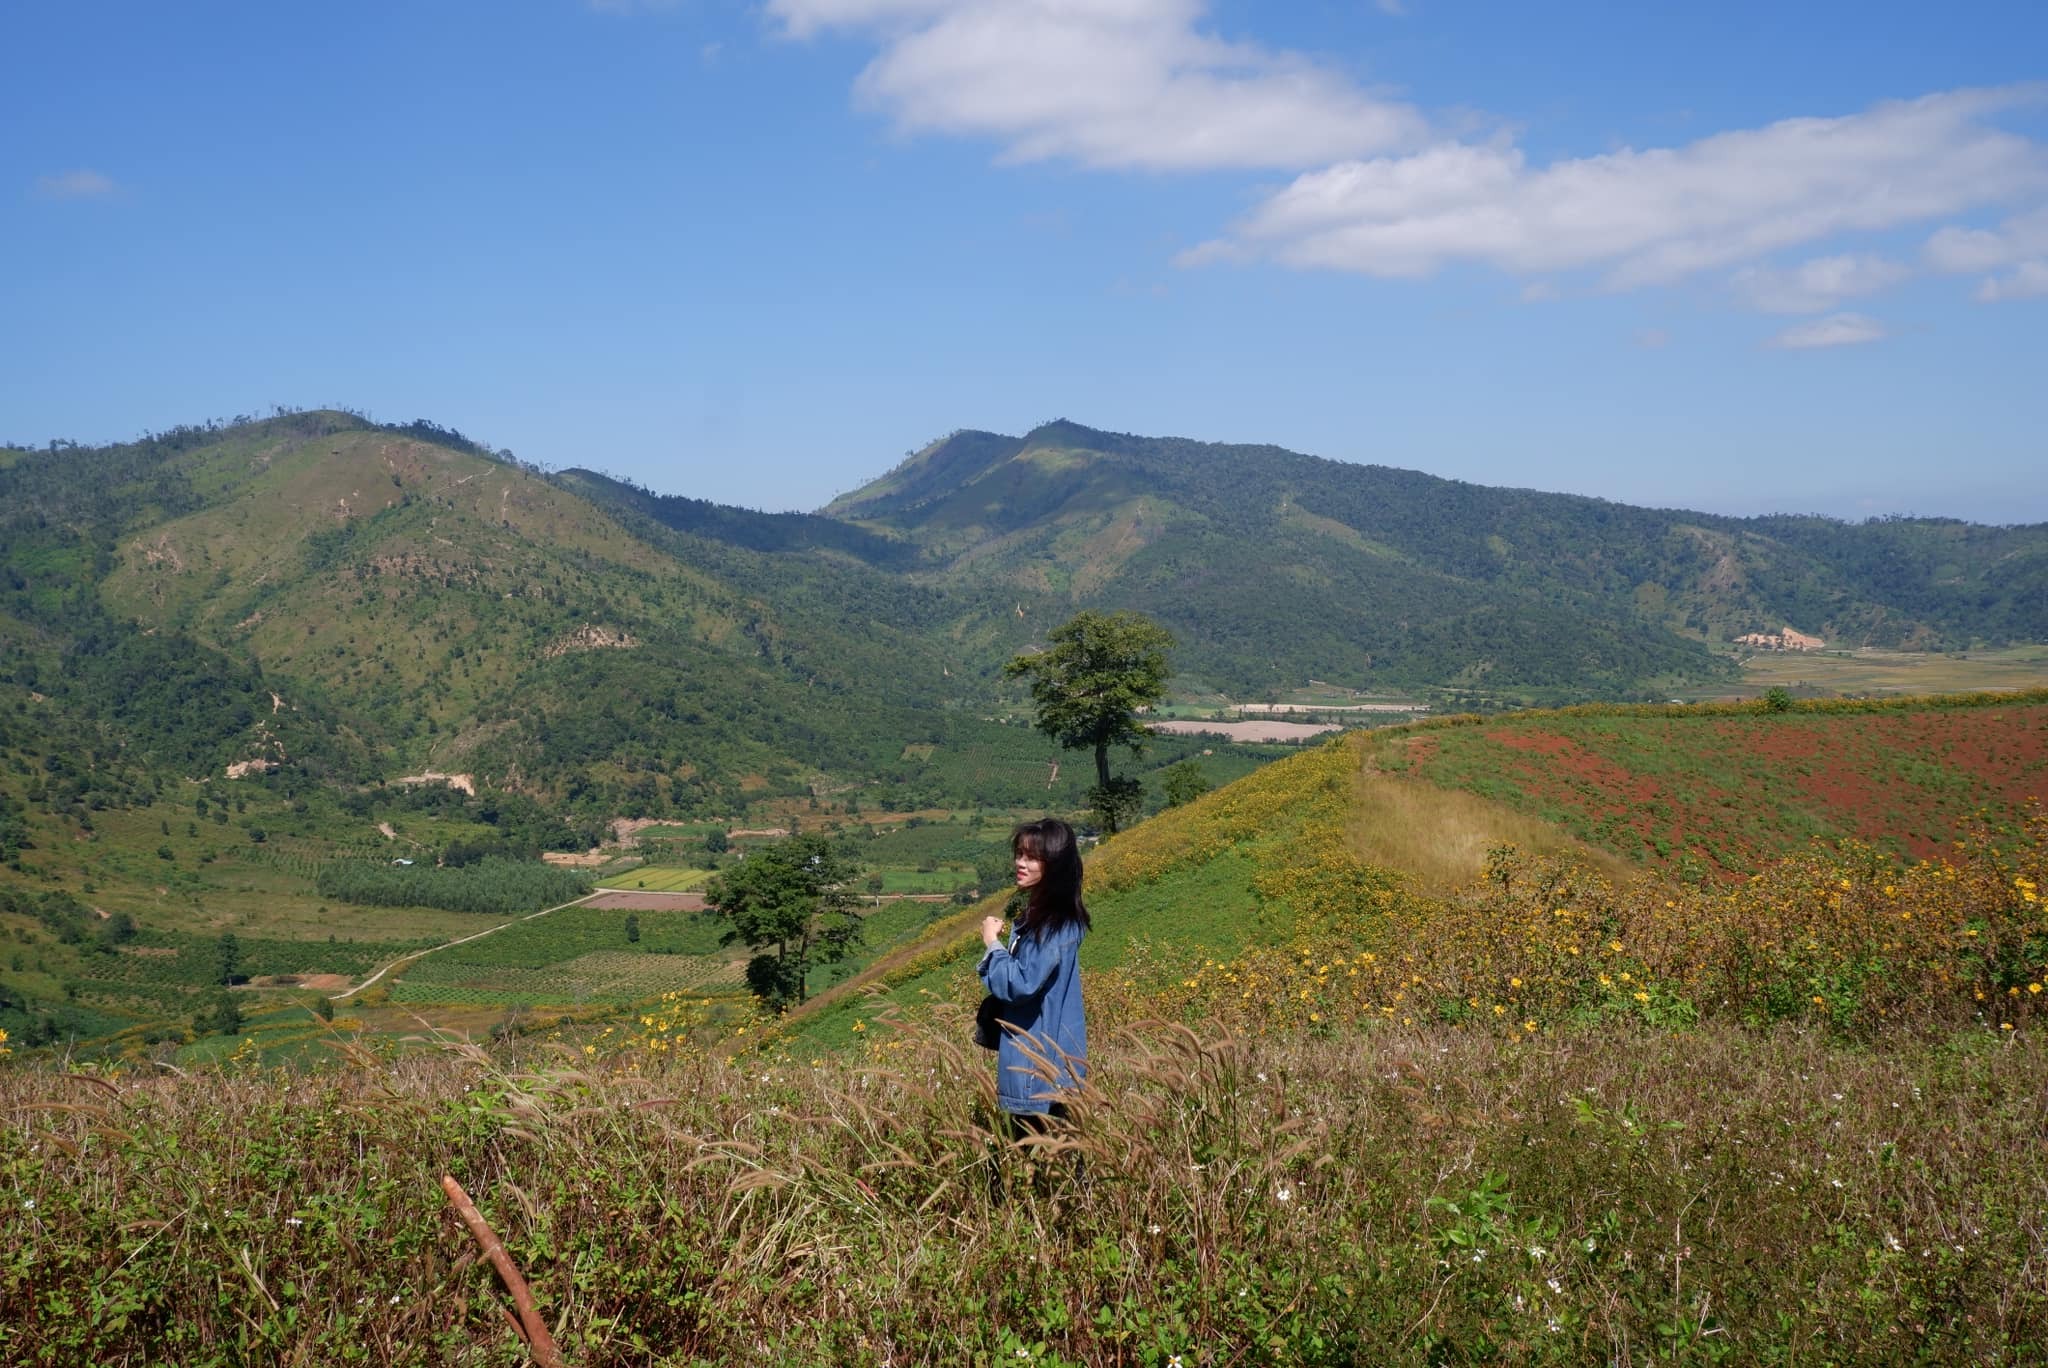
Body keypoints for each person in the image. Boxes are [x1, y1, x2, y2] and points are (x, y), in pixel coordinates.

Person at [978, 817, 1090, 1136]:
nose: (1020, 863)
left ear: (1054, 865)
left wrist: (992, 944)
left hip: (1038, 1065)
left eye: (1031, 857)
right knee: (1050, 1161)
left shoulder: (1054, 926)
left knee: (1041, 1160)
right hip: (1045, 1062)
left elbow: (1021, 983)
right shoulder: (1049, 919)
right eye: (1019, 854)